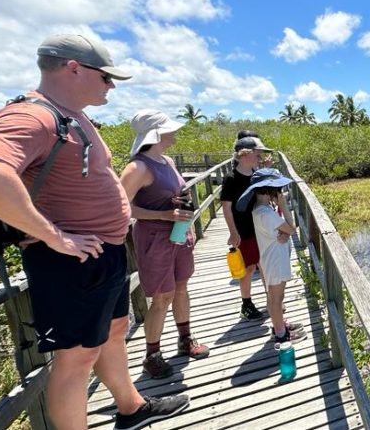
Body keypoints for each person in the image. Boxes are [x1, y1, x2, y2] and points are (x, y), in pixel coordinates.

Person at [0, 34, 188, 429]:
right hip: (71, 261)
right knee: (75, 359)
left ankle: (131, 406)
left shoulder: (73, 116)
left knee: (115, 331)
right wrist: (53, 236)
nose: (111, 86)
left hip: (103, 253)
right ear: (73, 68)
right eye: (106, 77)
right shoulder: (33, 114)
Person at [119, 109, 210, 379]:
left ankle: (185, 339)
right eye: (169, 128)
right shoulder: (138, 167)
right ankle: (152, 355)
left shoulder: (167, 161)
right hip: (154, 238)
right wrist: (162, 214)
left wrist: (178, 209)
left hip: (178, 234)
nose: (175, 132)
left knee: (181, 287)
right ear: (156, 133)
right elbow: (121, 207)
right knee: (162, 297)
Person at [235, 169, 306, 342]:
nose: (279, 192)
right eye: (277, 189)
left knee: (273, 296)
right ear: (268, 190)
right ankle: (281, 334)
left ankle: (279, 325)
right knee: (276, 298)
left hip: (271, 258)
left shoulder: (261, 209)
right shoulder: (265, 212)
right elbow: (291, 227)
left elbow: (284, 231)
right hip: (274, 260)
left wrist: (285, 234)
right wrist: (283, 206)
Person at [220, 136, 274, 320]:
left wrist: (265, 170)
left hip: (261, 227)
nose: (259, 159)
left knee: (265, 265)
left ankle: (272, 301)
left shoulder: (256, 173)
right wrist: (233, 232)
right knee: (249, 267)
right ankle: (246, 304)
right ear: (244, 155)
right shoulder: (231, 179)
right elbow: (226, 207)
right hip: (244, 229)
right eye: (257, 156)